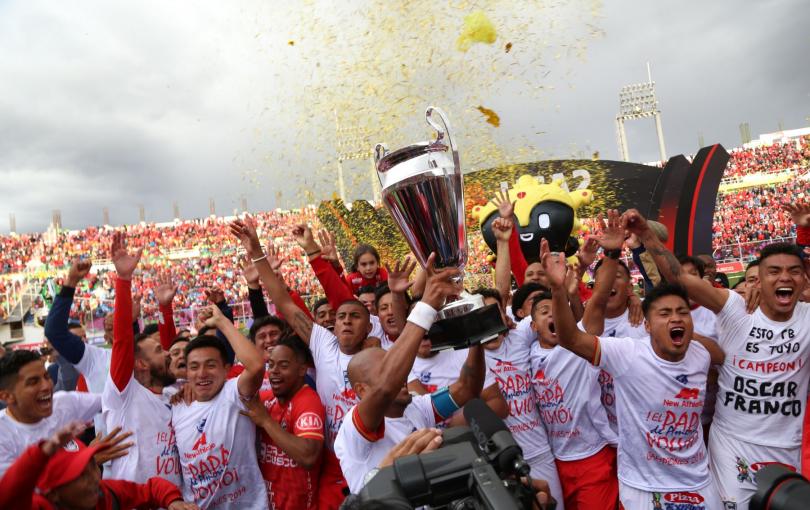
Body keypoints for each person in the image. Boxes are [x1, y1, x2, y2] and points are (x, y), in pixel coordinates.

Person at [631, 204, 810, 508]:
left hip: (786, 447)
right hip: (732, 444)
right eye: (774, 272)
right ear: (758, 280)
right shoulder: (734, 308)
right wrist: (646, 234)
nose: (785, 278)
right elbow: (679, 277)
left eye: (794, 272)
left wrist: (805, 233)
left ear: (804, 280)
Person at [546, 209, 725, 509]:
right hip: (644, 486)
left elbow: (724, 358)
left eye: (682, 313)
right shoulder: (628, 354)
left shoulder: (702, 353)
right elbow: (571, 338)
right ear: (647, 324)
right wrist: (557, 289)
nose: (675, 318)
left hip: (698, 482)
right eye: (664, 314)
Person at [230, 216, 379, 508]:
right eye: (340, 317)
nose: (345, 321)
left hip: (377, 454)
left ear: (370, 327)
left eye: (355, 316)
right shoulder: (324, 344)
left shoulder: (381, 354)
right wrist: (257, 250)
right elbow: (282, 300)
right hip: (333, 463)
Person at [333, 257, 488, 493]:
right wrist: (425, 307)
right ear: (362, 390)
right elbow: (385, 388)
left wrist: (475, 337)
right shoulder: (355, 428)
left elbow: (467, 388)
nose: (401, 373)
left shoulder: (417, 407)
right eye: (387, 368)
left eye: (397, 366)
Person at [101, 232, 181, 485]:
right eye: (158, 350)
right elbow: (124, 342)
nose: (167, 352)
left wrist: (165, 310)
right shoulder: (124, 395)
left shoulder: (173, 394)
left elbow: (170, 354)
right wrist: (124, 280)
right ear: (141, 364)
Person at [172, 303, 268, 509]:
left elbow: (257, 365)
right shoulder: (176, 407)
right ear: (187, 374)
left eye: (211, 365)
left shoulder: (234, 394)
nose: (202, 373)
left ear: (226, 370)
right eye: (194, 367)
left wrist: (222, 322)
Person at [0, 421, 197, 510]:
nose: (94, 478)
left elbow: (151, 489)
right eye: (80, 475)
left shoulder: (106, 492)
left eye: (92, 466)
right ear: (53, 494)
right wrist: (38, 455)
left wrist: (173, 502)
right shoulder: (39, 506)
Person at [242, 336, 325, 510]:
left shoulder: (308, 401)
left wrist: (266, 421)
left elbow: (308, 455)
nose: (274, 371)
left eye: (283, 365)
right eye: (271, 365)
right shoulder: (266, 400)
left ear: (302, 370)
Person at [0, 349, 101, 476]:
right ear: (7, 396)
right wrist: (88, 458)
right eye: (33, 382)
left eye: (46, 377)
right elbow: (18, 490)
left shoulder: (63, 402)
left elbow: (111, 402)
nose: (47, 386)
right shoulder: (3, 435)